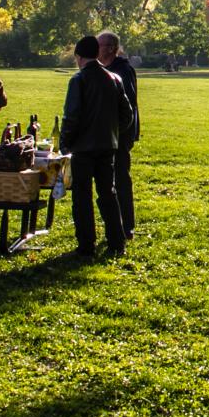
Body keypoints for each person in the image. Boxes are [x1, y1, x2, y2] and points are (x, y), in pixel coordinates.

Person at [61, 35, 134, 259]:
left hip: (83, 148)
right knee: (108, 194)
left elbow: (72, 116)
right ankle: (116, 241)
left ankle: (86, 245)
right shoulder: (114, 78)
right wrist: (112, 131)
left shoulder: (79, 80)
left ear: (79, 57)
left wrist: (65, 142)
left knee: (82, 197)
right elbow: (127, 114)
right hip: (107, 145)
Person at [98, 30, 139, 241]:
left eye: (101, 45)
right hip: (107, 133)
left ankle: (127, 226)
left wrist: (122, 132)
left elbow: (128, 106)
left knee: (121, 179)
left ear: (112, 48)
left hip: (120, 134)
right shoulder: (104, 69)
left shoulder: (123, 70)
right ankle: (115, 224)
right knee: (109, 180)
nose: (98, 49)